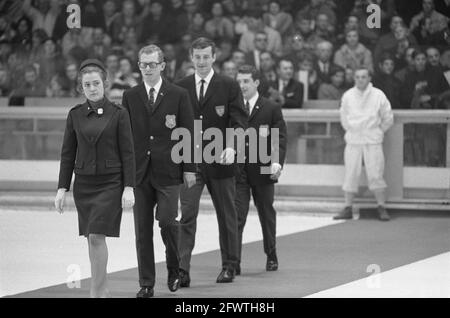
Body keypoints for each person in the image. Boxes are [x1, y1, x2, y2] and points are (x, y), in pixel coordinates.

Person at [54, 59, 136, 298]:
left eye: (96, 83)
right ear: (82, 88)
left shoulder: (119, 114)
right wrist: (62, 188)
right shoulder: (75, 115)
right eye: (87, 84)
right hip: (84, 186)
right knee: (91, 238)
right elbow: (67, 153)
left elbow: (128, 153)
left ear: (105, 84)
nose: (92, 88)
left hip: (111, 184)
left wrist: (129, 187)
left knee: (98, 236)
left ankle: (97, 292)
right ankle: (101, 289)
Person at [121, 45, 196, 298]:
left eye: (153, 64)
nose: (148, 69)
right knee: (142, 232)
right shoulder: (130, 96)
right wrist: (125, 175)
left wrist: (190, 168)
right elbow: (126, 137)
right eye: (143, 64)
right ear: (139, 66)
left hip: (169, 171)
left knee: (167, 221)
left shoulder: (178, 94)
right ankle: (146, 283)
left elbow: (188, 133)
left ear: (163, 65)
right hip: (140, 173)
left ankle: (174, 268)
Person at [176, 37, 248, 286]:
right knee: (187, 216)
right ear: (191, 57)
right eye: (198, 57)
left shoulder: (228, 85)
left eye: (206, 56)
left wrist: (231, 146)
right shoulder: (181, 86)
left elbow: (240, 121)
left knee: (227, 215)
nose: (202, 61)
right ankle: (182, 269)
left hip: (221, 161)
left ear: (214, 57)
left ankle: (229, 266)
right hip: (190, 163)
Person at [235, 65, 287, 275]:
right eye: (239, 81)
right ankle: (233, 260)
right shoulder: (233, 107)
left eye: (246, 81)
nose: (242, 85)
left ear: (256, 83)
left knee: (266, 213)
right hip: (238, 170)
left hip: (263, 169)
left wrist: (277, 162)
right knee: (237, 216)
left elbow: (280, 138)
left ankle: (271, 253)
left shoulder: (271, 108)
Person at [333, 67, 394, 221]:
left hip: (372, 138)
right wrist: (353, 130)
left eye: (364, 77)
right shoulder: (348, 95)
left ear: (369, 78)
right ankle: (348, 207)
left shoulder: (378, 95)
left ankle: (381, 206)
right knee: (351, 173)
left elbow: (388, 117)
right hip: (354, 138)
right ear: (354, 78)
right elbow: (344, 118)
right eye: (358, 77)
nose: (360, 79)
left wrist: (378, 131)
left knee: (376, 173)